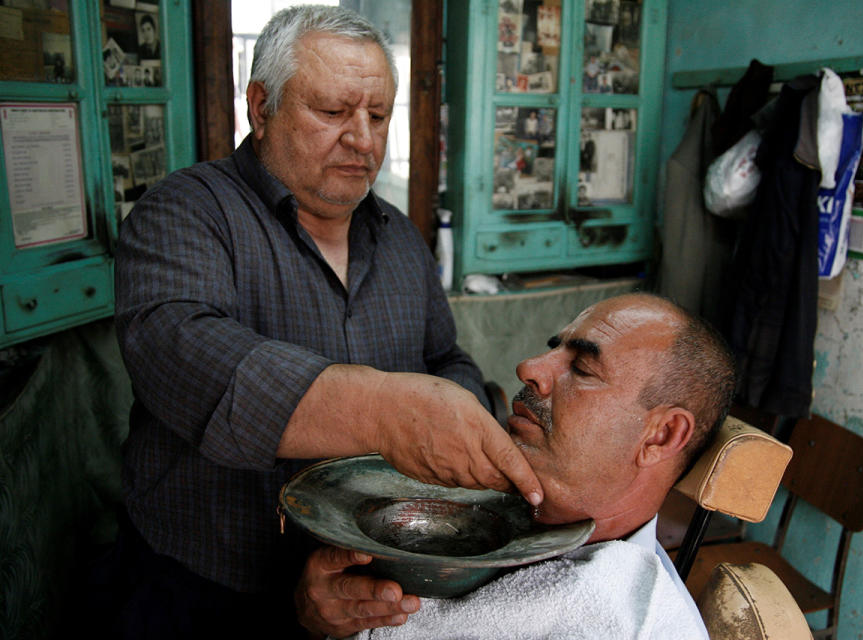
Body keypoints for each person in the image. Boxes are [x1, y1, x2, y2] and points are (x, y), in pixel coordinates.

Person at [103, 6, 541, 638]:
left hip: (371, 584)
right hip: (204, 586)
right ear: (260, 107)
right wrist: (391, 414)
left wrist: (455, 416)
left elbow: (447, 359)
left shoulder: (399, 240)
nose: (362, 139)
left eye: (378, 116)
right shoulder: (185, 213)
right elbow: (185, 353)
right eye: (333, 113)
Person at [297, 293, 737, 639]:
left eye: (582, 368)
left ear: (660, 435)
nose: (529, 368)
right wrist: (324, 618)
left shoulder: (624, 621)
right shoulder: (473, 505)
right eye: (553, 350)